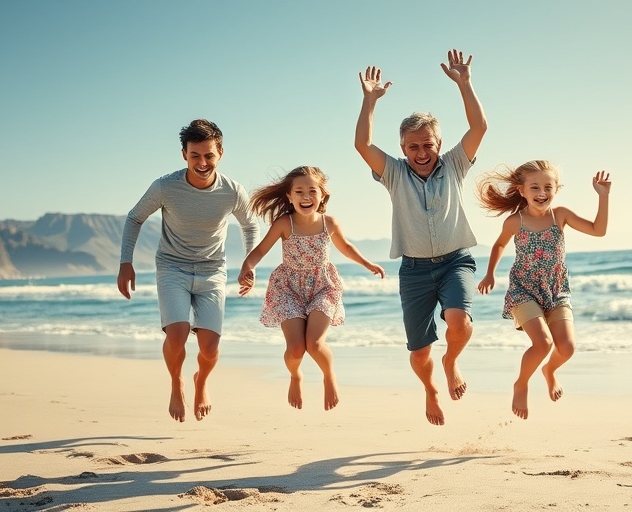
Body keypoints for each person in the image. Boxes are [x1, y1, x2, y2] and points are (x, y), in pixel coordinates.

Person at [354, 49, 488, 426]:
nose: (421, 152)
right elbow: (362, 145)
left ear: (439, 143)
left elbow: (479, 129)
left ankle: (451, 362)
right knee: (418, 351)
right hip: (413, 271)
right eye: (413, 146)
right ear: (402, 149)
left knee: (460, 323)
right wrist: (369, 101)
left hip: (455, 261)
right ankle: (430, 390)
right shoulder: (394, 174)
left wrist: (465, 84)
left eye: (428, 144)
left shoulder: (456, 165)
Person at [117, 119, 260, 423]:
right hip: (172, 267)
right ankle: (176, 383)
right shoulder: (166, 187)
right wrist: (125, 262)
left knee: (209, 346)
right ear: (184, 154)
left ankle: (201, 381)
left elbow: (250, 224)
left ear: (220, 154)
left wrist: (249, 261)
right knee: (178, 334)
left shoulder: (232, 191)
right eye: (195, 155)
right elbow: (134, 218)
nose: (202, 162)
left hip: (212, 271)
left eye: (209, 155)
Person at [237, 166, 385, 411]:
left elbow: (346, 248)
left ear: (322, 195)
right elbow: (261, 250)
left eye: (312, 191)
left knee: (314, 345)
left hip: (322, 287)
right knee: (296, 349)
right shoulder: (284, 224)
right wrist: (247, 267)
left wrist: (367, 263)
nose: (306, 197)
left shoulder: (329, 223)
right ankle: (295, 376)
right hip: (288, 289)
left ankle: (329, 376)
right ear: (290, 196)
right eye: (299, 191)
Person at [476, 160, 611, 419]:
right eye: (535, 187)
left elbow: (598, 230)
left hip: (557, 289)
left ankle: (549, 371)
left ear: (556, 188)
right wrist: (490, 273)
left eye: (548, 187)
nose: (542, 193)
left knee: (567, 347)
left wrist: (603, 197)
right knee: (543, 343)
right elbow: (499, 245)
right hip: (523, 290)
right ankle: (521, 384)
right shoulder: (515, 221)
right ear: (521, 190)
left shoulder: (560, 215)